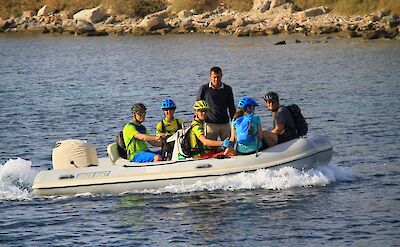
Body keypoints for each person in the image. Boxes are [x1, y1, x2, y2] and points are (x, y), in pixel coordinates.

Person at [196, 66, 236, 141]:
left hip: (225, 124)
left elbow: (231, 107)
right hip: (210, 124)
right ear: (210, 76)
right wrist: (197, 122)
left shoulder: (227, 89)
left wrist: (234, 123)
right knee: (210, 148)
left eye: (218, 77)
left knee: (228, 146)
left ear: (221, 76)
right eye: (214, 77)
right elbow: (198, 107)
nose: (216, 79)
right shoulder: (204, 89)